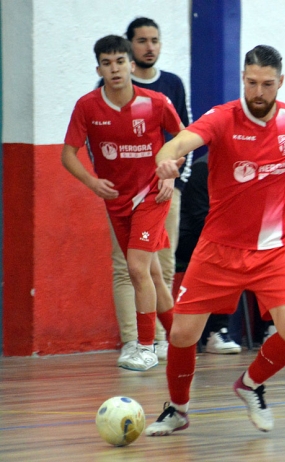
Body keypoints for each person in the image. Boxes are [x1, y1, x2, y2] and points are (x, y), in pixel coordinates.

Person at [145, 45, 285, 436]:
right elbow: (180, 142)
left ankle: (250, 384)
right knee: (182, 334)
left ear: (280, 82)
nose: (258, 92)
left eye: (266, 84)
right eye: (251, 83)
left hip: (274, 250)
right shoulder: (222, 118)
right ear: (242, 80)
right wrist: (165, 161)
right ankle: (177, 409)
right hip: (219, 248)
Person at [61, 35, 183, 371]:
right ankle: (179, 342)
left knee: (136, 268)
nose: (114, 68)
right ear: (98, 67)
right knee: (155, 275)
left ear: (131, 64)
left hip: (152, 195)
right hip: (117, 201)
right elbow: (67, 154)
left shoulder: (156, 102)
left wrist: (171, 173)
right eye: (106, 62)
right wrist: (91, 182)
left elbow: (184, 139)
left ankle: (145, 348)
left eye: (119, 61)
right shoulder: (87, 106)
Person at [105, 17, 194, 367]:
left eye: (154, 40)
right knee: (128, 267)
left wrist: (174, 176)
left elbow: (185, 137)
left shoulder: (171, 85)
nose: (149, 47)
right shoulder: (107, 90)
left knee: (162, 268)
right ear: (128, 48)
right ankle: (134, 341)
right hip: (124, 196)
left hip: (164, 191)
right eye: (141, 41)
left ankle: (163, 339)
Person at [175, 156, 241, 354]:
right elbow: (199, 219)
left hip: (222, 237)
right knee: (225, 253)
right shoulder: (201, 170)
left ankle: (274, 328)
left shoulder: (239, 173)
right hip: (189, 239)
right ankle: (216, 331)